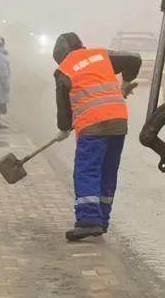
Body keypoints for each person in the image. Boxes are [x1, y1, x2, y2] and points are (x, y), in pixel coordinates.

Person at [52, 32, 141, 242]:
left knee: (87, 170)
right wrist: (126, 83)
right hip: (118, 122)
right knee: (108, 171)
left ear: (60, 55)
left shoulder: (63, 70)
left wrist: (63, 129)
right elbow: (134, 59)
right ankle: (101, 220)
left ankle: (88, 220)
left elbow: (64, 108)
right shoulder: (100, 55)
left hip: (93, 125)